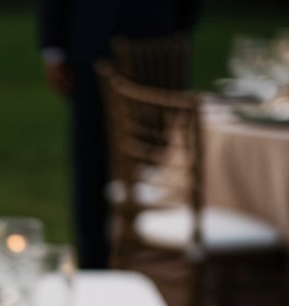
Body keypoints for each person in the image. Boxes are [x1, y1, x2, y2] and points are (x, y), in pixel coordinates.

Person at [38, 0, 201, 269]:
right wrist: (54, 48)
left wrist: (175, 30)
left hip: (155, 47)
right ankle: (95, 265)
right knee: (92, 166)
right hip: (94, 48)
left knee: (162, 164)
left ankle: (155, 265)